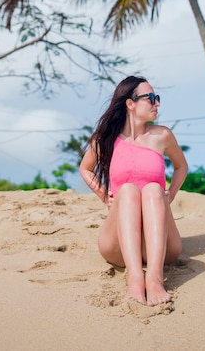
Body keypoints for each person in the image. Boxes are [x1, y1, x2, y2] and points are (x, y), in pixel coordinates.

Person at [79, 75, 188, 306]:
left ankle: (155, 278)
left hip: (160, 246)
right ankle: (135, 279)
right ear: (130, 103)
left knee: (152, 190)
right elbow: (85, 169)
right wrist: (103, 195)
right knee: (127, 191)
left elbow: (181, 166)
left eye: (157, 98)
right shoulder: (106, 139)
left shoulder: (162, 135)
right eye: (150, 98)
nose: (156, 103)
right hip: (119, 246)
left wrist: (170, 194)